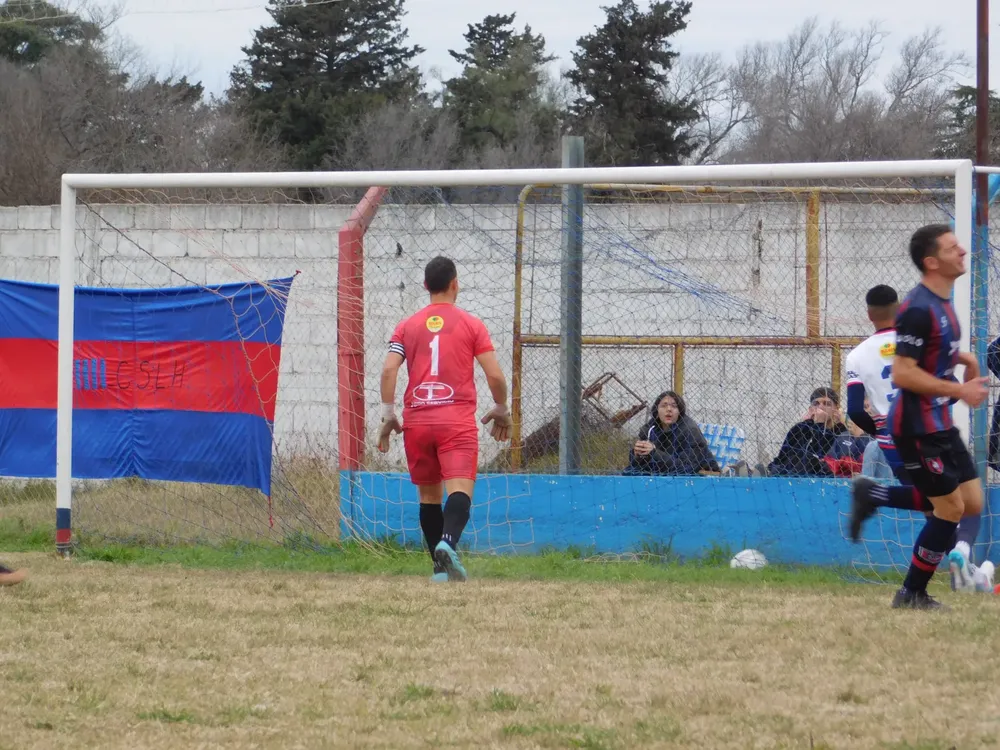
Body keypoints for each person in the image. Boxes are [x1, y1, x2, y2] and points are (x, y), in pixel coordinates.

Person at [855, 225, 989, 610]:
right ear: (932, 262)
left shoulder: (942, 301)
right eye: (952, 248)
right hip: (915, 427)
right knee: (948, 509)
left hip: (939, 423)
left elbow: (935, 352)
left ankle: (873, 493)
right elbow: (903, 372)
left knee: (972, 502)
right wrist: (960, 391)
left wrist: (966, 360)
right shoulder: (917, 308)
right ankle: (911, 592)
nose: (962, 251)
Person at [376, 256, 512, 583]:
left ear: (425, 286)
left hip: (418, 421)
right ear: (455, 284)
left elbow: (389, 369)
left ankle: (440, 570)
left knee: (428, 497)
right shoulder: (471, 324)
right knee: (460, 490)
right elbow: (494, 374)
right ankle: (447, 544)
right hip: (455, 419)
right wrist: (501, 406)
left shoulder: (406, 326)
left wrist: (388, 413)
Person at [848, 286, 982, 554]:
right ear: (899, 309)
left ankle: (955, 569)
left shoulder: (856, 355)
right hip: (928, 431)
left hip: (891, 436)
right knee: (956, 502)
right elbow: (951, 391)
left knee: (937, 510)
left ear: (868, 315)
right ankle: (874, 495)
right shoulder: (916, 346)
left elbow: (855, 410)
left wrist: (880, 433)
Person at [766, 387, 863, 477]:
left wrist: (819, 425)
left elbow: (818, 455)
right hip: (790, 470)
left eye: (827, 404)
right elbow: (782, 457)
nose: (821, 407)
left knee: (809, 460)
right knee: (793, 459)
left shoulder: (840, 432)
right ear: (811, 409)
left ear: (835, 409)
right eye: (816, 404)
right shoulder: (800, 428)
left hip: (819, 475)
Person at [623, 390, 720, 476]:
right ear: (657, 411)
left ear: (679, 411)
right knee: (628, 473)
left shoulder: (690, 430)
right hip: (663, 474)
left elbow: (687, 468)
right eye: (664, 405)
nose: (669, 409)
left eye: (674, 406)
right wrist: (637, 455)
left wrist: (654, 453)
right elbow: (639, 464)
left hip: (701, 477)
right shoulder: (650, 429)